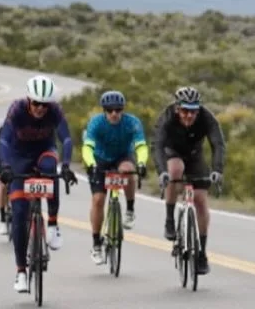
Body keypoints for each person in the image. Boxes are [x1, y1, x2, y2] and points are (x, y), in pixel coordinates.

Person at [0, 75, 77, 293]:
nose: (41, 108)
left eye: (45, 104)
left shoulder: (55, 110)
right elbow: (3, 140)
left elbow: (66, 139)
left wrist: (66, 165)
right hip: (18, 158)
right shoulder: (17, 109)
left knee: (51, 169)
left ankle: (52, 224)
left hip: (44, 152)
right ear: (28, 100)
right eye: (36, 103)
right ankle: (21, 271)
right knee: (19, 213)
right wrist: (5, 166)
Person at [152, 86, 225, 277]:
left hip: (194, 155)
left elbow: (218, 144)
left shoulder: (207, 118)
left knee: (200, 200)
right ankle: (170, 219)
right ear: (177, 108)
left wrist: (217, 170)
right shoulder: (167, 117)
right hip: (172, 152)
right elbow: (157, 145)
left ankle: (201, 253)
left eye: (193, 111)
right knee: (175, 170)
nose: (189, 115)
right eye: (185, 111)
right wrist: (162, 172)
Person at [82, 90, 150, 265]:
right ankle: (96, 244)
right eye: (110, 110)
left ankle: (129, 210)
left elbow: (141, 146)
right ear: (104, 110)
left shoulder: (132, 123)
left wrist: (142, 162)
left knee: (128, 170)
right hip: (99, 159)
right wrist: (91, 164)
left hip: (122, 157)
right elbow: (87, 147)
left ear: (123, 110)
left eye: (118, 110)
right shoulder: (96, 123)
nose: (114, 114)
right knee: (98, 200)